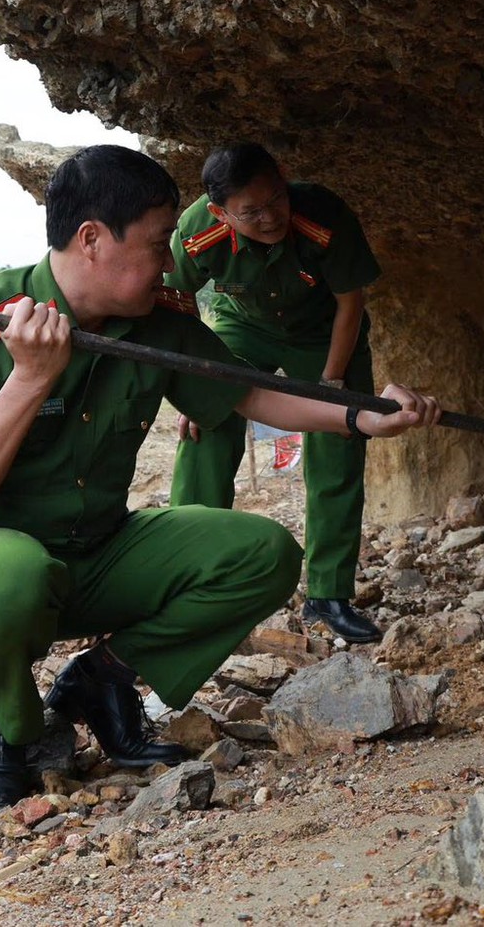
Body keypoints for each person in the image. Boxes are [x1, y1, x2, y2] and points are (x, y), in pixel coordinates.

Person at [0, 145, 439, 810]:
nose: (171, 263)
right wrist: (29, 379)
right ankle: (11, 725)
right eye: (157, 243)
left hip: (96, 554)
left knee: (262, 554)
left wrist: (366, 415)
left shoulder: (155, 325)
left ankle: (103, 680)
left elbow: (252, 395)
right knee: (11, 575)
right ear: (92, 240)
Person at [167, 143, 386, 643]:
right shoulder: (198, 230)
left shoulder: (323, 215)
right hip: (242, 328)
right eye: (251, 212)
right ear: (221, 213)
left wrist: (332, 387)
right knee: (206, 426)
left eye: (276, 200)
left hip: (325, 334)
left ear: (284, 177)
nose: (270, 218)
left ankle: (329, 595)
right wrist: (192, 384)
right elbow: (173, 300)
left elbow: (350, 303)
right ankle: (187, 579)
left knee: (340, 440)